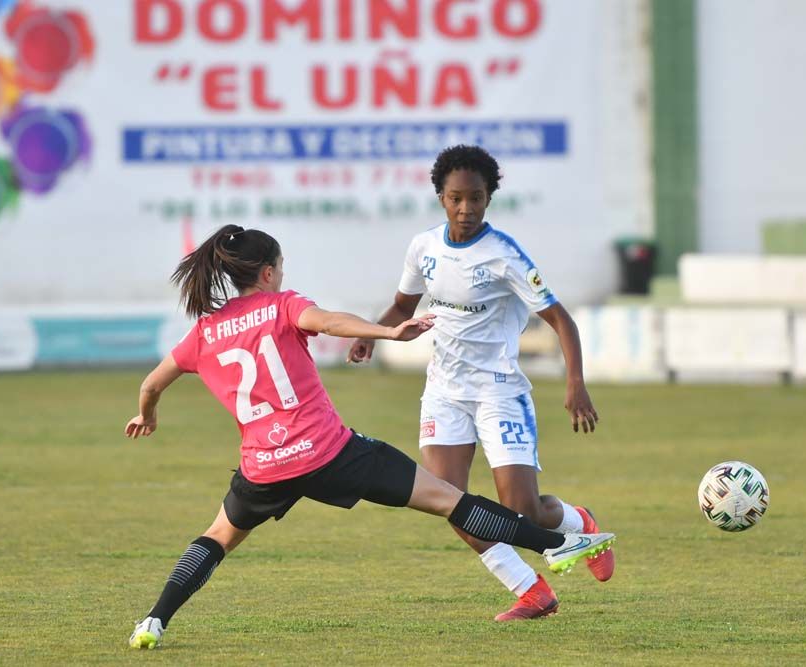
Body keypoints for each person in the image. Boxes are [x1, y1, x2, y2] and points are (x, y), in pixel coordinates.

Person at [125, 224, 614, 649]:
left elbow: (151, 384)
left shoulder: (204, 333)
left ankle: (153, 620)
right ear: (270, 273)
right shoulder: (281, 306)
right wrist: (390, 332)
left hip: (264, 466)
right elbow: (331, 321)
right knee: (447, 498)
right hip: (331, 453)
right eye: (281, 266)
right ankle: (553, 543)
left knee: (217, 538)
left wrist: (147, 414)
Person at [347, 145, 615, 621]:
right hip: (444, 393)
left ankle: (580, 522)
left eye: (476, 198)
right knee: (447, 502)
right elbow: (402, 308)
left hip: (499, 392)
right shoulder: (424, 247)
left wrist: (575, 383)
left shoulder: (504, 255)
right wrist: (374, 335)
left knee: (524, 512)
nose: (465, 208)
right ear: (440, 197)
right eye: (456, 198)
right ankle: (531, 590)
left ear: (489, 198)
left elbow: (561, 319)